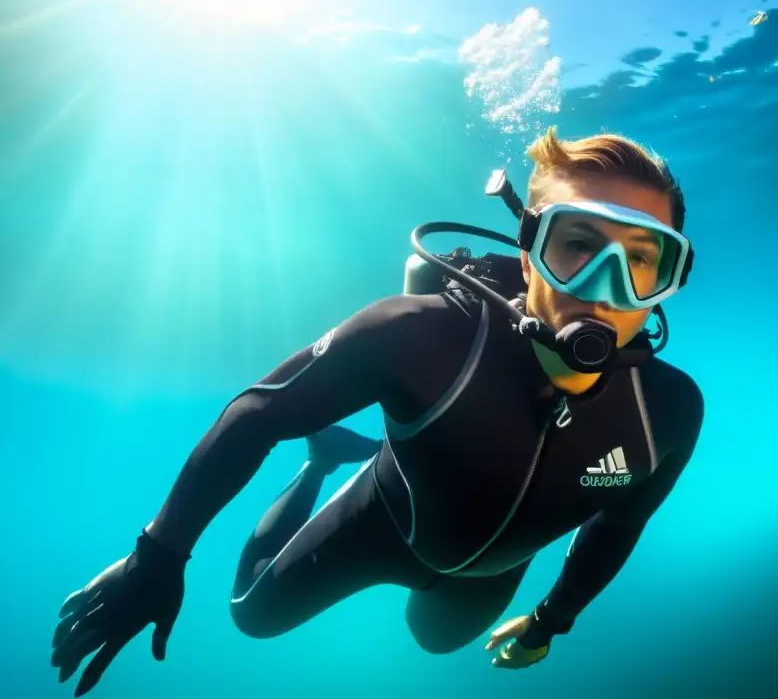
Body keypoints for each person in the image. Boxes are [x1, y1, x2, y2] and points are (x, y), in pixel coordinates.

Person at [50, 126, 705, 697]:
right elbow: (260, 411)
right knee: (250, 615)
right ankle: (319, 467)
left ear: (664, 284)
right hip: (378, 525)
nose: (603, 287)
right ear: (530, 246)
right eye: (577, 244)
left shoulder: (668, 412)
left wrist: (550, 620)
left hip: (487, 576)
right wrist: (158, 556)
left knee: (437, 642)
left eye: (642, 260)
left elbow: (620, 524)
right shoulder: (421, 337)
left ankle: (331, 460)